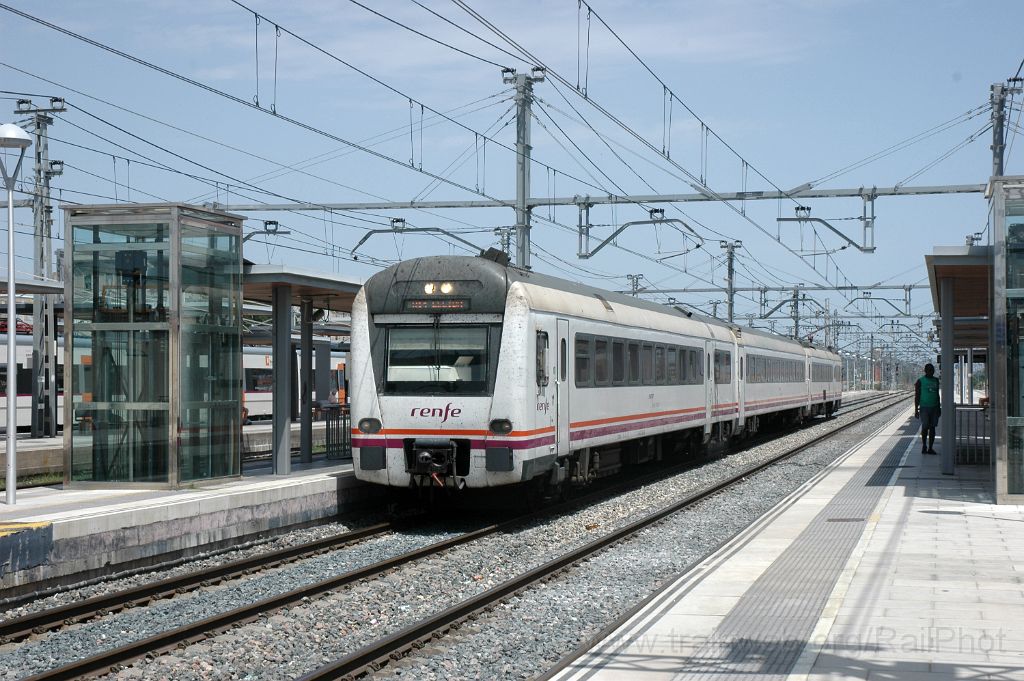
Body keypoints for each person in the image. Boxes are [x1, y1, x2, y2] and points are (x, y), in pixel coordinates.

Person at [914, 363, 941, 454]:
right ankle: (924, 445)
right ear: (925, 371)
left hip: (934, 407)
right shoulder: (920, 381)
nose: (931, 372)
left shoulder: (936, 380)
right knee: (925, 427)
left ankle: (930, 448)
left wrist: (939, 407)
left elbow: (937, 394)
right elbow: (917, 396)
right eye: (929, 370)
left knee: (933, 428)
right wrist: (916, 410)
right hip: (924, 407)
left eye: (932, 370)